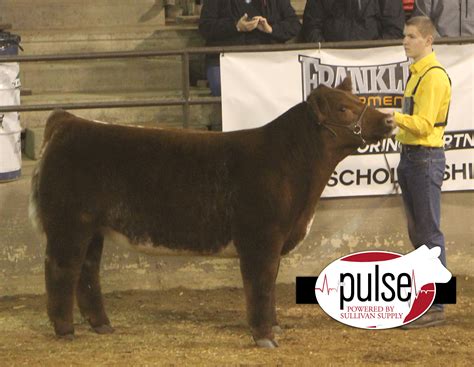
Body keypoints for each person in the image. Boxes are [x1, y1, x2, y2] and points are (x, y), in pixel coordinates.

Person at [393, 16, 451, 329]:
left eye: (412, 36)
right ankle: (428, 299)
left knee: (428, 232)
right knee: (420, 232)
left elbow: (425, 124)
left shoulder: (432, 76)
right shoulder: (419, 74)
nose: (405, 41)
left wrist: (396, 119)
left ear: (428, 41)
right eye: (404, 36)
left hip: (424, 157)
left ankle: (436, 305)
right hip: (415, 157)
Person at [199, 0, 301, 96]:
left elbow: (294, 25)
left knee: (283, 86)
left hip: (266, 60)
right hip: (225, 60)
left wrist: (271, 29)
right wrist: (235, 27)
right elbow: (205, 27)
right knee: (221, 86)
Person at [302, 0, 405, 42]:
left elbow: (394, 29)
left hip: (375, 63)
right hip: (329, 63)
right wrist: (326, 54)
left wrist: (374, 53)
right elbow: (311, 26)